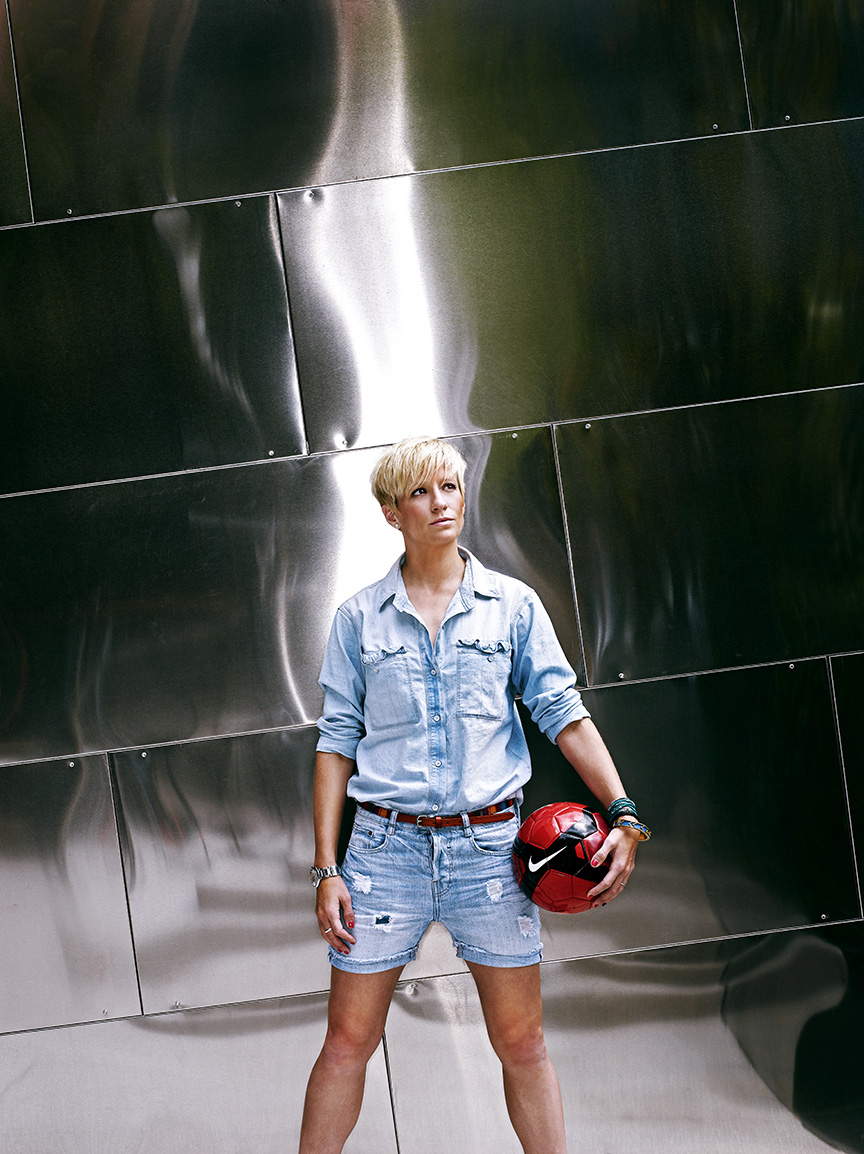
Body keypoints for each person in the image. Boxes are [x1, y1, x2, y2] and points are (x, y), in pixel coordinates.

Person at [299, 436, 647, 1154]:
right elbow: (335, 743)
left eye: (450, 488)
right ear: (392, 513)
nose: (441, 503)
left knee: (523, 1043)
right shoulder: (358, 619)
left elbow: (563, 714)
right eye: (421, 492)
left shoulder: (511, 607)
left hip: (491, 854)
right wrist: (328, 868)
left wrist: (624, 811)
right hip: (384, 854)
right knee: (346, 1043)